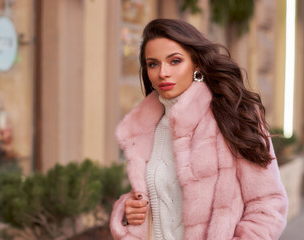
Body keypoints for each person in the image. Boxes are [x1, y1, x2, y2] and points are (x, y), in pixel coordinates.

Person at [110, 19, 288, 240]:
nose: (163, 72)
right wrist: (128, 211)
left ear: (196, 64)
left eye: (175, 61)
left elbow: (267, 204)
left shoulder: (232, 115)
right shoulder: (143, 129)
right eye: (153, 64)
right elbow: (159, 197)